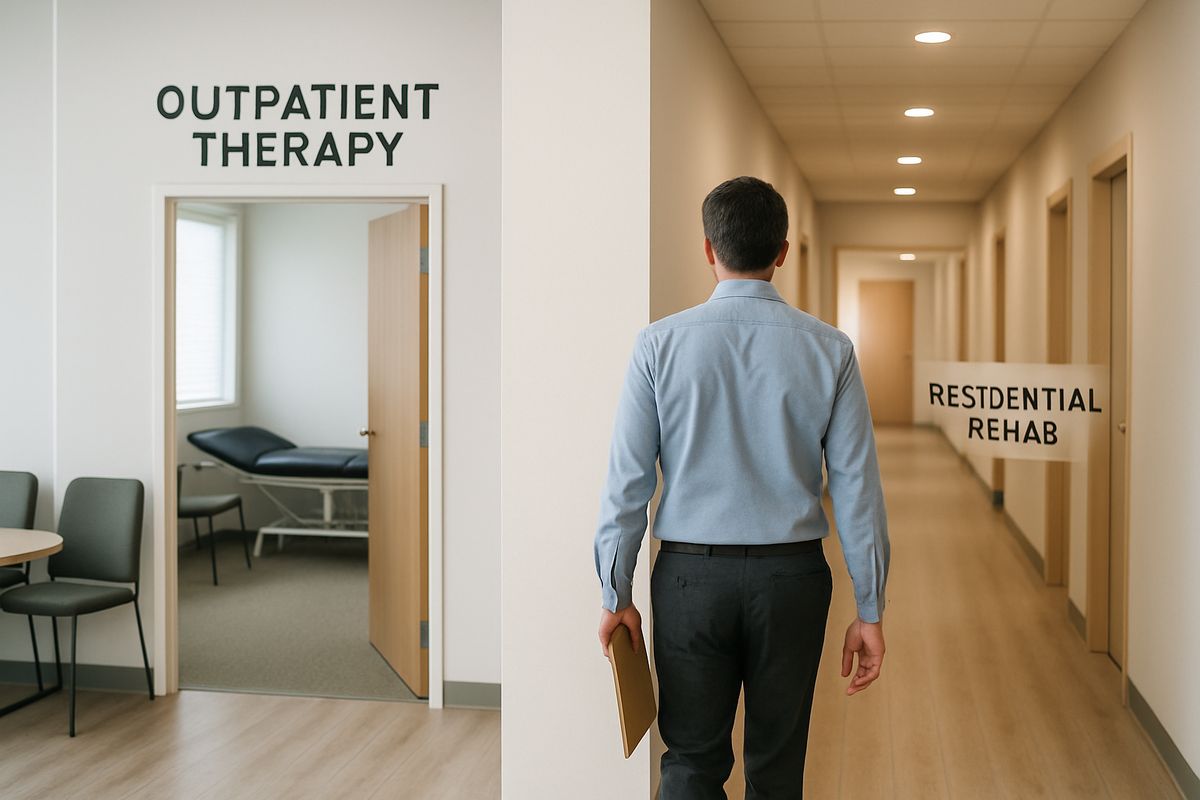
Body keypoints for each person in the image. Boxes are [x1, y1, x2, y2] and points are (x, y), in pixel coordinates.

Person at [593, 176, 890, 799]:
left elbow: (627, 483)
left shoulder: (658, 346)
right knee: (777, 768)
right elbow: (858, 487)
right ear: (782, 252)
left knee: (692, 761)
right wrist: (870, 609)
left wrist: (615, 591)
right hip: (793, 584)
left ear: (708, 249)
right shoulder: (830, 350)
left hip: (689, 582)